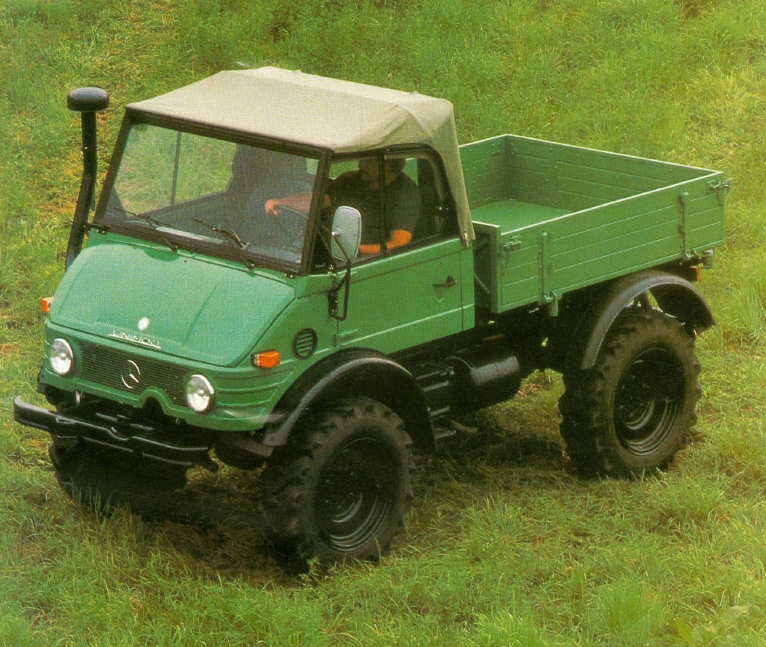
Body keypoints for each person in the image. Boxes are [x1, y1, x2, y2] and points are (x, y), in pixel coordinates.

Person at [265, 157, 420, 255]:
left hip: (360, 261)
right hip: (325, 248)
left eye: (368, 161)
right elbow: (318, 200)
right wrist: (281, 202)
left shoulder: (405, 195)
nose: (360, 164)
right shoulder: (351, 179)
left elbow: (399, 243)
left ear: (389, 164)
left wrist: (355, 251)